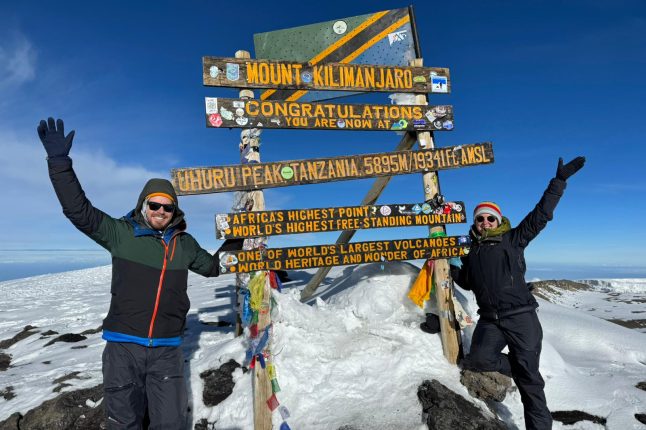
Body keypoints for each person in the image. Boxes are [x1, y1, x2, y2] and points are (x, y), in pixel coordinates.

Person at [38, 117, 242, 429]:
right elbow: (78, 210)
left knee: (171, 423)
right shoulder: (120, 233)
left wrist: (239, 236)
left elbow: (213, 268)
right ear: (143, 205)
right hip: (123, 349)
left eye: (167, 207)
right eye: (155, 205)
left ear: (175, 211)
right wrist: (59, 162)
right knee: (123, 423)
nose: (161, 211)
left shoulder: (184, 245)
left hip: (166, 350)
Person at [450, 156, 585, 430]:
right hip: (490, 320)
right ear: (475, 223)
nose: (485, 222)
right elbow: (467, 282)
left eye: (490, 218)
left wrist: (558, 182)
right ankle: (524, 370)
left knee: (530, 386)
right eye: (480, 219)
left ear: (497, 220)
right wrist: (453, 268)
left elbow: (541, 215)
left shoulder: (513, 239)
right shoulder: (471, 252)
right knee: (478, 359)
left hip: (521, 318)